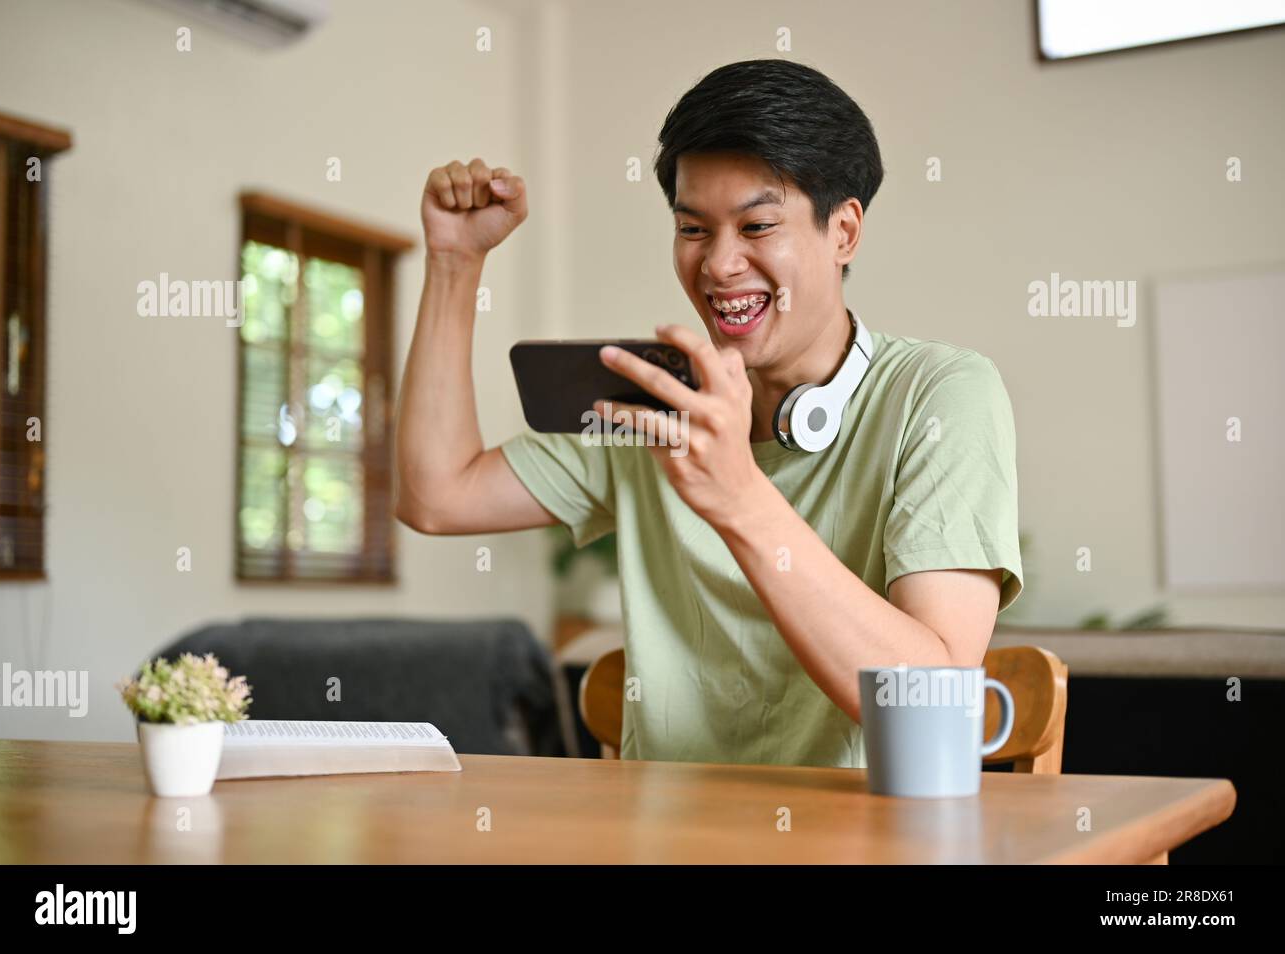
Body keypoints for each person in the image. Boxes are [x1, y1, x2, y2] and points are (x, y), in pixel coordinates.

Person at [395, 59, 1022, 768]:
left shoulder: (940, 395)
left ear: (844, 231)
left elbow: (934, 700)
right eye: (693, 230)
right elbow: (436, 496)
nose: (720, 265)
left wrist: (738, 494)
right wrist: (454, 266)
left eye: (757, 225)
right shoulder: (657, 405)